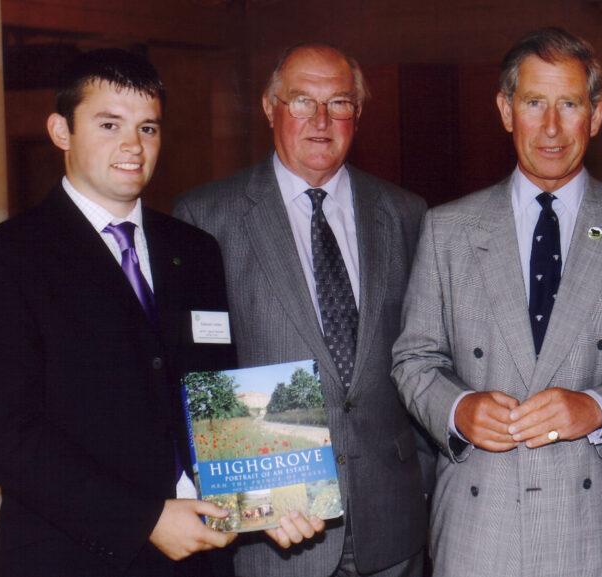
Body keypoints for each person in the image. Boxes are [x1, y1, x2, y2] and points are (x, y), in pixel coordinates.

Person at [0, 49, 258, 577]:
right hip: (73, 555)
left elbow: (217, 392)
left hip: (201, 556)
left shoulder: (197, 249)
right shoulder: (2, 259)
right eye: (109, 124)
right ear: (60, 131)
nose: (132, 147)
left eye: (148, 128)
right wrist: (144, 519)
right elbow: (3, 437)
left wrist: (269, 498)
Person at [391, 27, 602, 577]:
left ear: (596, 115)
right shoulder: (448, 228)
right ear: (505, 110)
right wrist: (458, 410)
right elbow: (414, 360)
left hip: (597, 527)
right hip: (479, 525)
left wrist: (596, 407)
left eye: (569, 104)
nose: (551, 128)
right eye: (534, 103)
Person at [173, 42, 431, 577]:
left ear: (356, 114)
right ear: (270, 107)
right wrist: (248, 491)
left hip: (393, 523)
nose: (320, 120)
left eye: (338, 103)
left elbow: (424, 351)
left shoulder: (407, 214)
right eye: (301, 102)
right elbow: (196, 368)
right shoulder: (205, 216)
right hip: (275, 530)